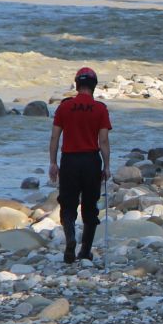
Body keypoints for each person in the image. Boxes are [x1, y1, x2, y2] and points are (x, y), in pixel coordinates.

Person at [48, 67, 111, 263]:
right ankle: (85, 251)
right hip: (91, 161)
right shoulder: (100, 109)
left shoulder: (64, 107)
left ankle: (70, 239)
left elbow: (55, 137)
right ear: (94, 86)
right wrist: (106, 166)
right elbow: (104, 142)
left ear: (77, 84)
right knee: (90, 207)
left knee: (68, 205)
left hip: (69, 161)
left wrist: (52, 163)